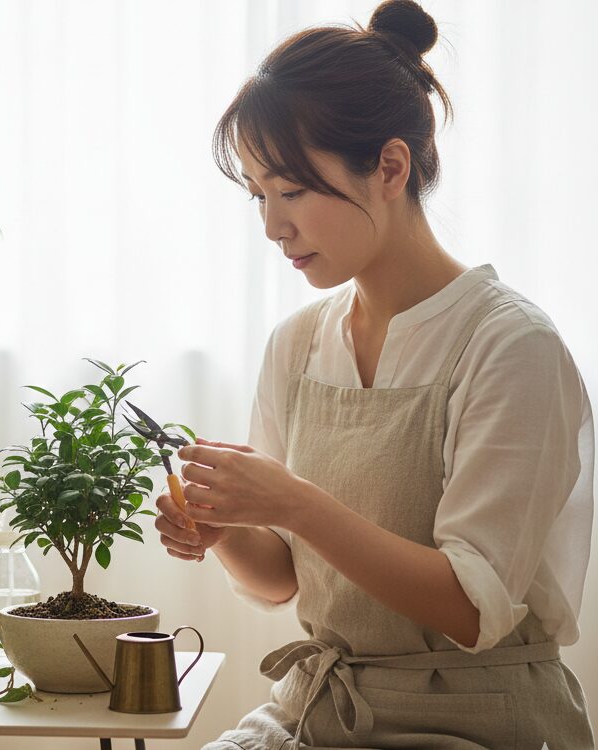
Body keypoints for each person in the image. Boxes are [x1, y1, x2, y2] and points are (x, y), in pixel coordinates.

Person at [154, 1, 596, 748]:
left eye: (291, 190)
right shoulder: (297, 343)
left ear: (390, 167)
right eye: (259, 195)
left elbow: (468, 607)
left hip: (470, 719)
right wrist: (224, 521)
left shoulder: (510, 346)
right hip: (314, 709)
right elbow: (280, 581)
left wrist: (292, 502)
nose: (272, 226)